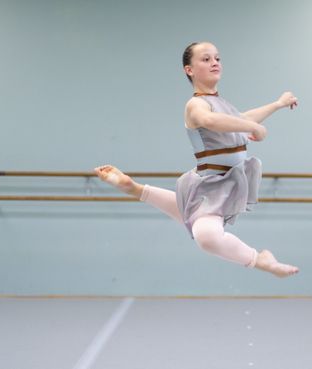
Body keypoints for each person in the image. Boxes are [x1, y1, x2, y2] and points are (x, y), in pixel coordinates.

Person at [94, 41, 299, 277]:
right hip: (209, 185)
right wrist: (254, 127)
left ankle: (132, 187)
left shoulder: (221, 103)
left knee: (195, 219)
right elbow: (211, 121)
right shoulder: (195, 104)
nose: (214, 62)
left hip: (226, 181)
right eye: (206, 59)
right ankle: (260, 260)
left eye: (217, 58)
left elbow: (239, 118)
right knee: (207, 236)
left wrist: (277, 104)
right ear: (189, 70)